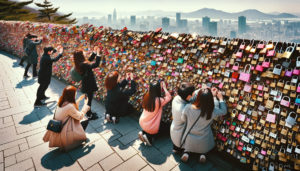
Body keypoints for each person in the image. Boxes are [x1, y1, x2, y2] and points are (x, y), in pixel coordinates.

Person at [180, 88, 227, 163]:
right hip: (204, 139)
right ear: (210, 100)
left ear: (198, 98)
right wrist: (219, 98)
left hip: (190, 139)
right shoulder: (212, 111)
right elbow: (223, 111)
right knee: (203, 149)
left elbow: (183, 119)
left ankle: (186, 153)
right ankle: (202, 155)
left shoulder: (188, 107)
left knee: (188, 147)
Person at [43, 85, 90, 151]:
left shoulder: (61, 101)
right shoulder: (69, 106)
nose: (76, 93)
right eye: (75, 93)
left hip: (59, 127)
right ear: (71, 95)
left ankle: (77, 136)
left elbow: (72, 110)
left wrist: (78, 100)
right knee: (85, 119)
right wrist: (85, 105)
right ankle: (77, 138)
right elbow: (79, 116)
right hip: (65, 131)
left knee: (77, 118)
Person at [139, 81, 172, 146]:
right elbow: (169, 97)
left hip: (142, 121)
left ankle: (143, 132)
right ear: (158, 90)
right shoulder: (159, 100)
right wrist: (165, 88)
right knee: (166, 128)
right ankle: (149, 137)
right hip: (151, 126)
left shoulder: (146, 96)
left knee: (151, 127)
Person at [73, 47, 101, 120]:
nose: (84, 52)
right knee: (89, 100)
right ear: (81, 55)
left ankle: (89, 112)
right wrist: (98, 54)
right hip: (89, 84)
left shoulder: (79, 62)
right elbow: (95, 64)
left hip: (86, 83)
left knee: (88, 99)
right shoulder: (83, 64)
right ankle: (89, 115)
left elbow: (88, 60)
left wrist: (94, 52)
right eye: (83, 52)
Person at [170, 82, 195, 153]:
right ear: (189, 96)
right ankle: (185, 151)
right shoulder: (186, 109)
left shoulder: (177, 98)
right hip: (181, 136)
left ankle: (176, 148)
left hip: (173, 130)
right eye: (193, 93)